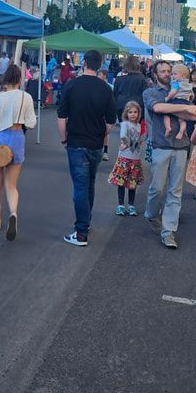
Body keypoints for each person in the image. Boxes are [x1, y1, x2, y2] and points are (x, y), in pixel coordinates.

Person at [57, 49, 117, 247]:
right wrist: (102, 134)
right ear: (100, 65)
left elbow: (62, 117)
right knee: (89, 183)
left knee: (80, 187)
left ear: (84, 63)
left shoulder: (71, 85)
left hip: (76, 142)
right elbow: (110, 121)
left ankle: (81, 231)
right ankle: (86, 222)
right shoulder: (106, 89)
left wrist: (64, 140)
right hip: (96, 143)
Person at [144, 60, 196, 250]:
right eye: (162, 71)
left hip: (181, 146)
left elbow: (193, 115)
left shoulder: (182, 90)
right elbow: (158, 108)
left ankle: (169, 231)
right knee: (157, 188)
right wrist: (185, 108)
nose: (167, 74)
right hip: (161, 145)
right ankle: (152, 214)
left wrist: (184, 109)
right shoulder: (150, 93)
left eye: (169, 70)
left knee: (175, 192)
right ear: (155, 74)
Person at [0, 64, 37, 241]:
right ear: (20, 79)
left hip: (0, 139)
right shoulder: (27, 97)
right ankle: (13, 213)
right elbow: (31, 123)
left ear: (5, 80)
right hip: (17, 137)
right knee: (12, 185)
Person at [108, 101, 145, 216]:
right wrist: (131, 143)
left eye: (135, 112)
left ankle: (131, 205)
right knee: (121, 182)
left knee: (132, 183)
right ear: (126, 113)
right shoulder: (125, 124)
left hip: (135, 158)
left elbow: (140, 140)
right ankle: (120, 205)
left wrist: (138, 142)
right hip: (124, 157)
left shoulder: (139, 126)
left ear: (139, 113)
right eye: (130, 112)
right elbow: (123, 136)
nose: (133, 114)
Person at [163, 63, 196, 140]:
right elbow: (192, 95)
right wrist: (190, 100)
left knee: (165, 113)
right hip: (186, 102)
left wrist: (167, 98)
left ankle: (168, 127)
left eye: (174, 74)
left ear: (182, 76)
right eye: (172, 74)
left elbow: (173, 92)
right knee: (182, 119)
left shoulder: (176, 83)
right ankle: (181, 131)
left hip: (176, 101)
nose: (172, 76)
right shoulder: (188, 84)